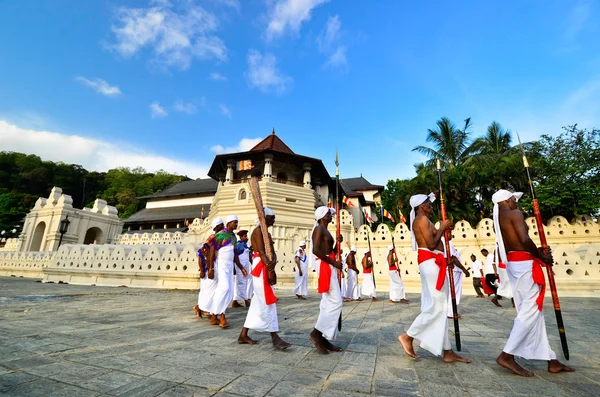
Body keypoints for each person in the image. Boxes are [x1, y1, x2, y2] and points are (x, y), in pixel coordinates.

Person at [492, 189, 573, 376]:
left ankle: (551, 359)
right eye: (514, 199)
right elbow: (524, 238)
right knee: (530, 310)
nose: (516, 202)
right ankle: (507, 355)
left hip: (515, 263)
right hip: (525, 263)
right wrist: (539, 254)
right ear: (509, 199)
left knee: (533, 312)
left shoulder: (500, 218)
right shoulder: (514, 213)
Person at [398, 193, 470, 364]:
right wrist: (442, 228)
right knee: (437, 307)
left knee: (441, 308)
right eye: (428, 204)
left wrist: (445, 230)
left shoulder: (426, 220)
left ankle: (447, 351)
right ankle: (408, 336)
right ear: (421, 206)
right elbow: (431, 244)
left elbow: (437, 240)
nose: (431, 206)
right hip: (430, 262)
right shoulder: (421, 220)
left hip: (435, 262)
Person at [238, 207, 291, 350]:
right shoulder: (257, 231)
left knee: (258, 302)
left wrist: (273, 267)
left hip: (267, 266)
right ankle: (275, 337)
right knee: (267, 301)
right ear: (264, 218)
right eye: (271, 217)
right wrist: (270, 269)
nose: (274, 220)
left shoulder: (265, 232)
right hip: (262, 267)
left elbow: (271, 252)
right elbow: (262, 253)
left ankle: (243, 334)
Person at [309, 206, 344, 354]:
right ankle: (316, 333)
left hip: (328, 264)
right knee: (336, 301)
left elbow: (328, 250)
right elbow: (316, 250)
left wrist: (337, 244)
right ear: (323, 216)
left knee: (328, 302)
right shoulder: (319, 229)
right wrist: (334, 263)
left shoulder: (325, 230)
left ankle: (323, 338)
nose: (331, 215)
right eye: (329, 213)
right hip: (325, 266)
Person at [209, 215, 247, 329]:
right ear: (229, 223)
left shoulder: (233, 237)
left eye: (237, 222)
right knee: (224, 288)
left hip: (230, 266)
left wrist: (241, 267)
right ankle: (221, 317)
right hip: (222, 265)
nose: (236, 224)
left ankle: (215, 315)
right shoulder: (220, 235)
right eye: (234, 222)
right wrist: (211, 268)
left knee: (229, 291)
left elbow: (235, 254)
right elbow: (212, 251)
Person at [197, 218, 224, 324]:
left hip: (213, 266)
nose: (223, 227)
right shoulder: (213, 238)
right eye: (221, 225)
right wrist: (207, 269)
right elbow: (201, 253)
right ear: (217, 227)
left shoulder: (219, 238)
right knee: (210, 290)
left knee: (211, 290)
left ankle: (203, 309)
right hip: (209, 268)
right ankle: (207, 311)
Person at [442, 236, 470, 319]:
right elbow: (453, 258)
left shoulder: (442, 240)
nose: (452, 234)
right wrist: (464, 269)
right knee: (453, 291)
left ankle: (449, 311)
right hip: (454, 270)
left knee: (450, 291)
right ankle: (451, 312)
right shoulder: (447, 242)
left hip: (449, 269)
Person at [232, 230, 252, 308]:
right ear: (240, 237)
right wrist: (240, 267)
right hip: (240, 267)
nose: (246, 238)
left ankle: (235, 301)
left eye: (246, 236)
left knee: (244, 283)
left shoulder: (245, 245)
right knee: (241, 283)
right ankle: (245, 300)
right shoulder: (238, 245)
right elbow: (235, 257)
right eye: (244, 236)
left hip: (246, 266)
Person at [193, 243, 210, 318]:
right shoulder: (206, 248)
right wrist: (202, 270)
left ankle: (203, 308)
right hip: (207, 272)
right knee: (205, 290)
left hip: (215, 272)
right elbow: (201, 256)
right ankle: (200, 307)